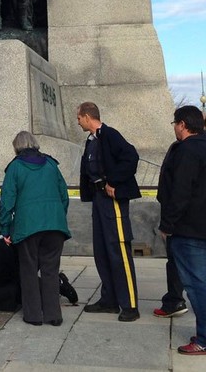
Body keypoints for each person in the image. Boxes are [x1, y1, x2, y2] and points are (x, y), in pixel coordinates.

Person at [158, 106, 206, 355]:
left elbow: (181, 191)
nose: (175, 129)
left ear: (182, 124)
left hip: (190, 229)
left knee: (197, 285)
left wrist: (167, 224)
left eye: (175, 124)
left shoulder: (187, 150)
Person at [0, 131, 71, 326]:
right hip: (55, 225)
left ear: (16, 147)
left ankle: (33, 315)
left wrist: (5, 229)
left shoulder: (15, 167)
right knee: (51, 270)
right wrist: (56, 216)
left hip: (28, 226)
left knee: (29, 270)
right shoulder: (51, 164)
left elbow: (7, 201)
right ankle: (53, 315)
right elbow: (64, 195)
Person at [77, 102, 141, 322]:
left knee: (118, 250)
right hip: (98, 199)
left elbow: (131, 157)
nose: (77, 121)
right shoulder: (91, 140)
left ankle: (130, 304)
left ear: (87, 116)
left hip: (111, 199)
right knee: (102, 250)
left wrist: (113, 181)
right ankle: (110, 299)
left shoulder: (110, 135)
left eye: (79, 117)